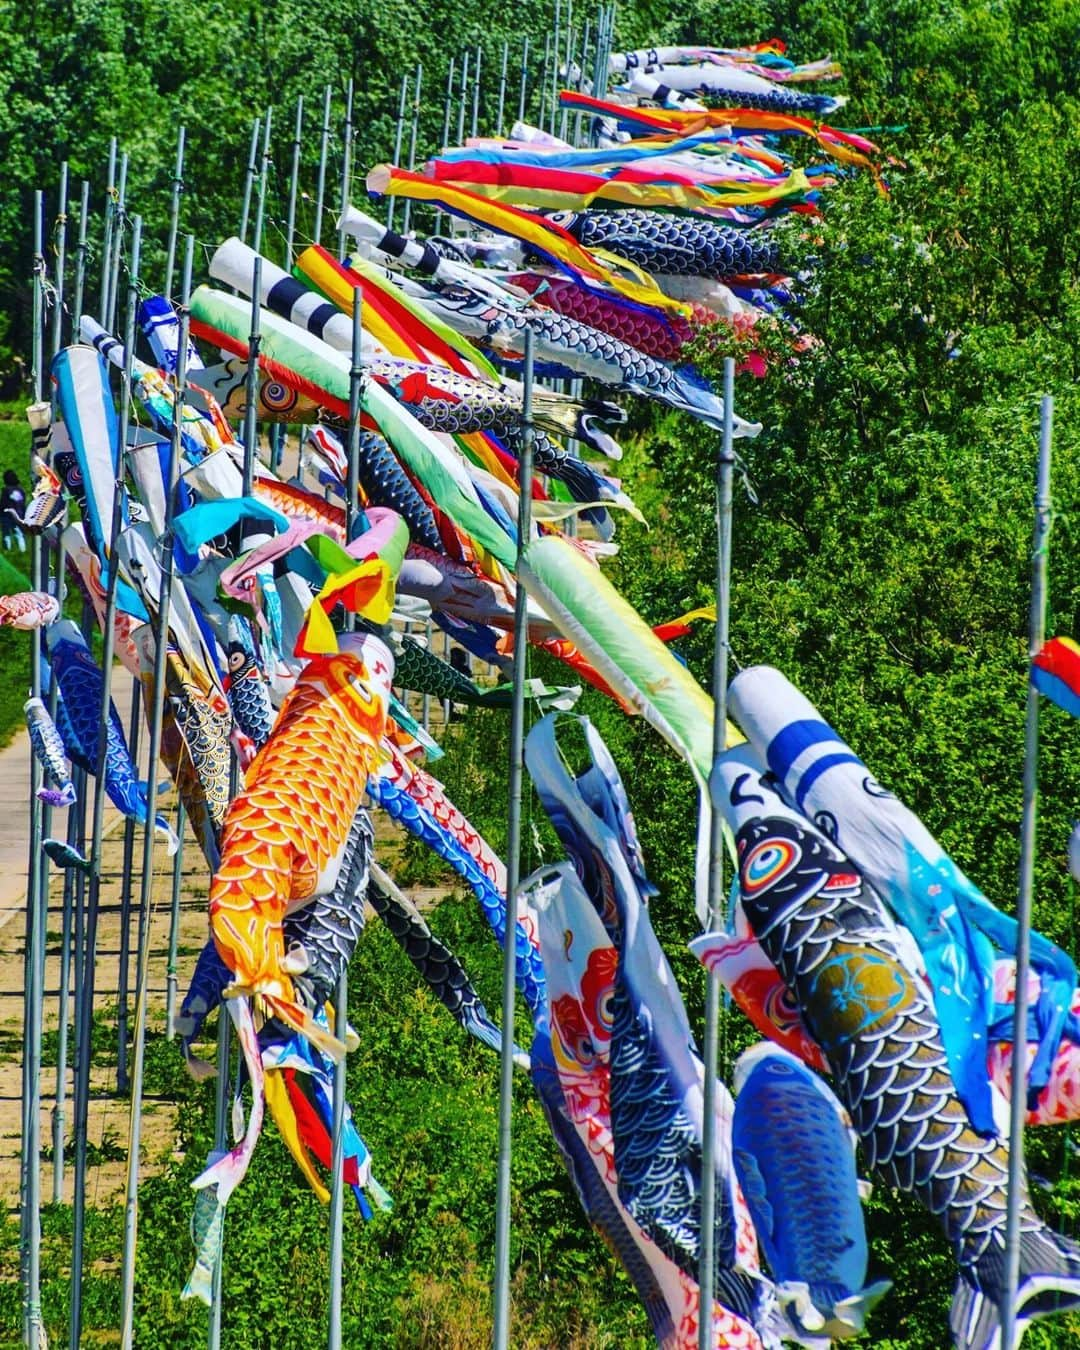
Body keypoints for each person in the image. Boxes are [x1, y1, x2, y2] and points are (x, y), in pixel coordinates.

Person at [0, 470, 26, 553]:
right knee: (19, 534)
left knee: (6, 533)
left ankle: (7, 549)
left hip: (7, 515)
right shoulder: (21, 490)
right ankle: (22, 550)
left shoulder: (6, 490)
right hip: (19, 515)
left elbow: (3, 503)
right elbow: (23, 503)